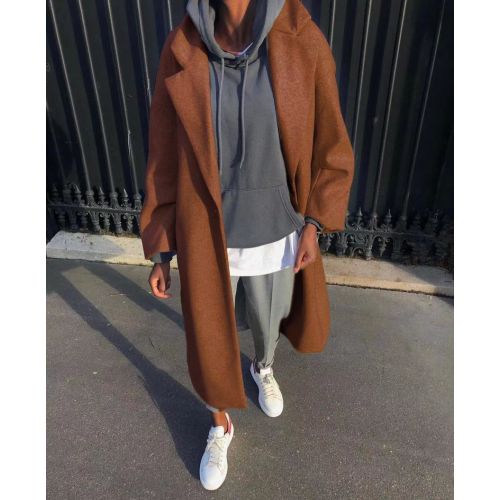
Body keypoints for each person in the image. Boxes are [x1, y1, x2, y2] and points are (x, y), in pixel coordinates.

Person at [139, 0, 354, 491]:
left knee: (266, 322)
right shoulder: (183, 48)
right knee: (208, 339)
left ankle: (263, 366)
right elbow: (163, 155)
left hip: (276, 228)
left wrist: (314, 223)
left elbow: (330, 138)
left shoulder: (301, 39)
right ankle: (220, 424)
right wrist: (161, 250)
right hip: (206, 233)